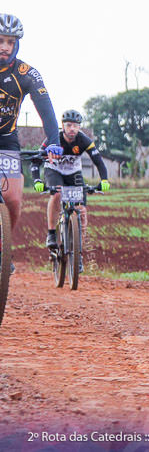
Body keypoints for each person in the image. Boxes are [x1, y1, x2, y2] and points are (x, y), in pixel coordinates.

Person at [0, 14, 63, 274]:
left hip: (7, 140)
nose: (5, 46)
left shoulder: (26, 73)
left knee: (13, 199)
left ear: (17, 45)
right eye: (1, 41)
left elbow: (45, 108)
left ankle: (4, 249)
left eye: (10, 42)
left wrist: (55, 141)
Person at [31, 109, 110, 272]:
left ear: (79, 127)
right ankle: (52, 233)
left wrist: (104, 180)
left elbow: (99, 161)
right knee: (57, 193)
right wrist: (37, 180)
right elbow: (35, 161)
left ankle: (77, 254)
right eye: (69, 125)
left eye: (75, 126)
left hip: (74, 173)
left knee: (81, 210)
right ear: (63, 126)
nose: (72, 129)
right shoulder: (54, 139)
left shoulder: (84, 140)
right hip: (54, 171)